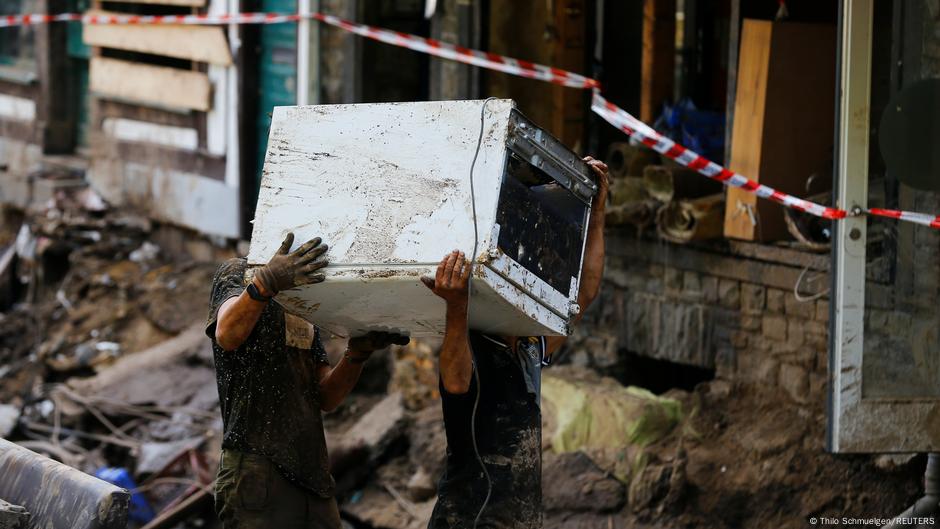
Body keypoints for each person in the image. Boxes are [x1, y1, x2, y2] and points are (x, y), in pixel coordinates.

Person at [422, 156, 609, 528]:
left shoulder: (527, 349)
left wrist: (598, 215)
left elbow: (584, 293)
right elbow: (455, 382)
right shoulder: (474, 345)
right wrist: (456, 306)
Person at [206, 232, 408, 529]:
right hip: (257, 469)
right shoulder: (238, 272)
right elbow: (227, 334)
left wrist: (357, 354)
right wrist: (266, 283)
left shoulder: (307, 299)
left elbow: (324, 397)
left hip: (312, 475)